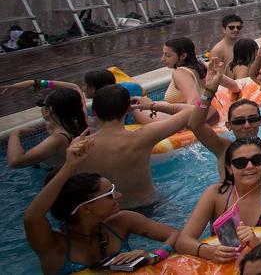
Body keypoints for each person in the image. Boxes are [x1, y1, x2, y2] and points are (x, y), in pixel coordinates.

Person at [22, 134, 179, 275]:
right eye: (110, 194)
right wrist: (68, 166)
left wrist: (155, 255)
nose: (119, 195)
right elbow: (31, 218)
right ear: (86, 208)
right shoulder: (54, 246)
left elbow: (176, 235)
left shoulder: (122, 222)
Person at [174, 138, 261, 263]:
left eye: (257, 159)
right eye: (240, 163)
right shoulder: (215, 194)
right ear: (229, 168)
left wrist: (260, 241)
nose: (249, 166)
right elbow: (182, 241)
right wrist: (209, 251)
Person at [71, 85, 191, 208]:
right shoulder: (142, 137)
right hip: (149, 207)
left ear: (94, 112)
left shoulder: (78, 144)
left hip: (104, 212)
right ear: (128, 109)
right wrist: (152, 105)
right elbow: (192, 110)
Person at [191, 58, 261, 189]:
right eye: (239, 121)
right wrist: (209, 90)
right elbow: (195, 125)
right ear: (228, 126)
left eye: (253, 119)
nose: (247, 125)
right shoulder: (223, 149)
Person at [4, 86, 88, 169]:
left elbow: (15, 161)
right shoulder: (78, 125)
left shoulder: (58, 138)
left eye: (42, 104)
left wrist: (14, 133)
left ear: (49, 110)